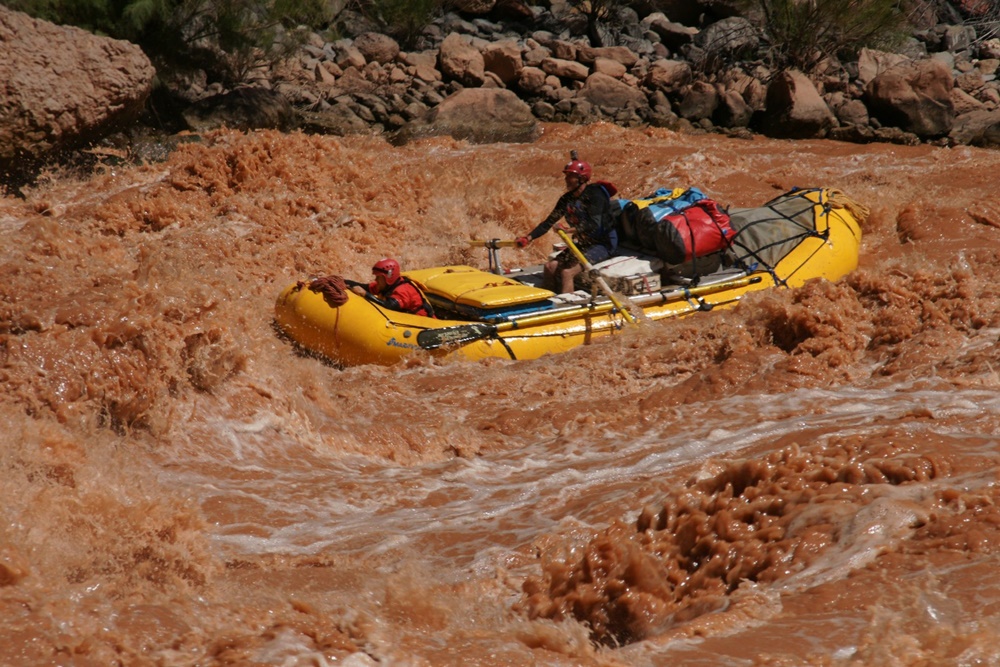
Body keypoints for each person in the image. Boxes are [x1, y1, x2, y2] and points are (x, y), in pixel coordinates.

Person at [516, 155, 618, 294]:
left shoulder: (595, 195)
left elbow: (594, 225)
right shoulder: (567, 199)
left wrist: (569, 230)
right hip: (583, 243)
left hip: (603, 244)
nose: (566, 179)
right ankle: (548, 300)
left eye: (570, 176)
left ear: (581, 179)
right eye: (567, 176)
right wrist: (528, 238)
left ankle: (567, 304)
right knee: (550, 266)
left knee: (567, 273)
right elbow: (548, 222)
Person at [351, 258, 435, 317]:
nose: (376, 279)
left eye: (378, 277)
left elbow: (389, 305)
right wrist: (343, 281)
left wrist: (365, 294)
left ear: (388, 277)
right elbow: (364, 287)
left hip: (423, 323)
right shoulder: (384, 286)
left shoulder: (403, 291)